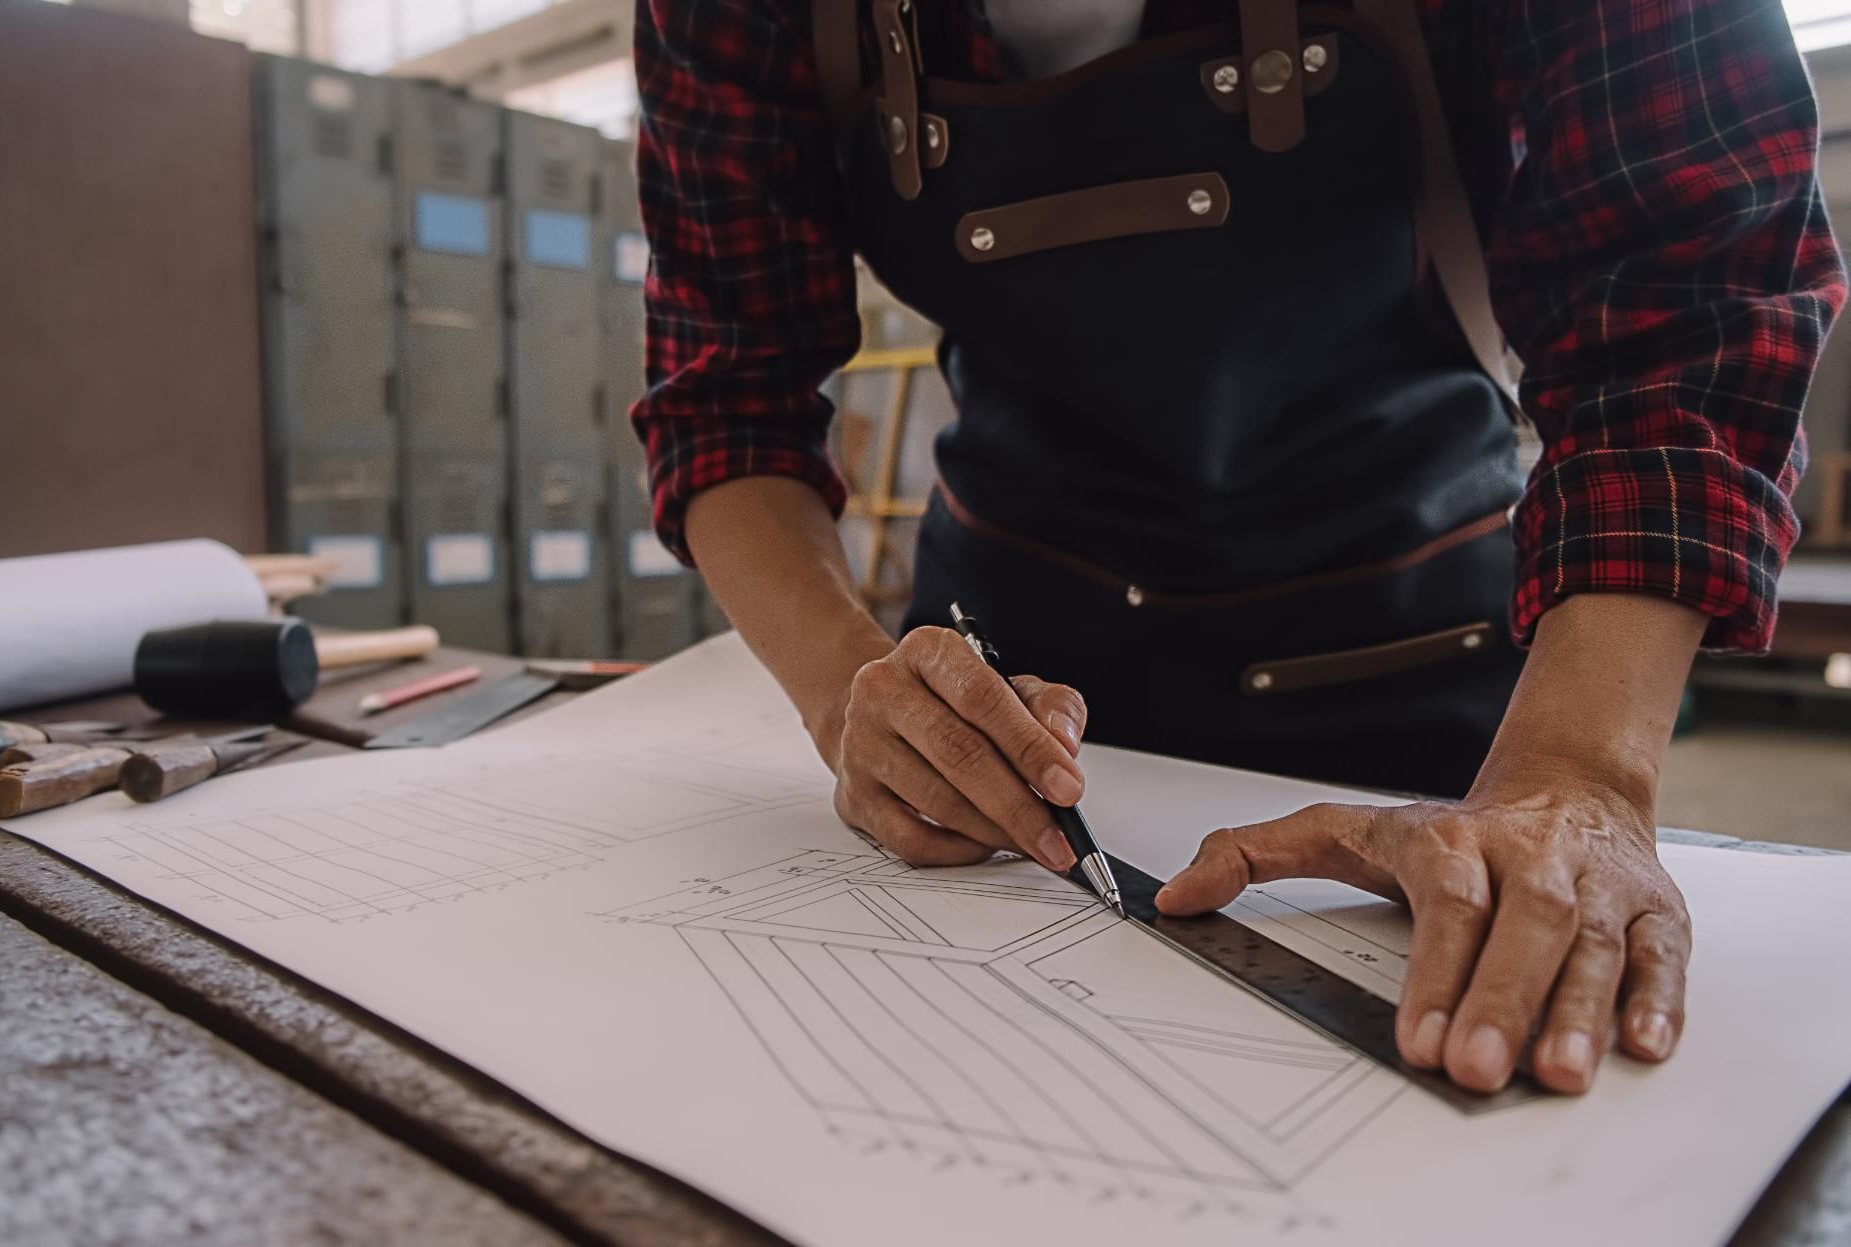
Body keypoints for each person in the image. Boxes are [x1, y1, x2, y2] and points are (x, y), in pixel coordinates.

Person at [631, 0, 1844, 1097]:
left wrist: (1579, 768)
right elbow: (724, 395)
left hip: (1422, 663)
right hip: (1012, 679)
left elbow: (1689, 298)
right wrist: (849, 699)